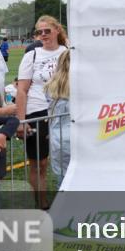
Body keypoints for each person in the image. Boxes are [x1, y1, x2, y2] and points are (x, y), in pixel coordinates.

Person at [16, 16, 67, 209]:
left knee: (67, 158)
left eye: (47, 30)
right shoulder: (32, 55)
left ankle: (69, 199)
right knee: (39, 163)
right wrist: (21, 121)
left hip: (64, 113)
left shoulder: (67, 52)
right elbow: (22, 90)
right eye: (39, 32)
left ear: (57, 31)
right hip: (37, 113)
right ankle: (41, 204)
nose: (43, 35)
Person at [44, 49, 71, 183]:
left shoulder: (51, 86)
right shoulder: (82, 85)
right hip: (76, 137)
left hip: (58, 137)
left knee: (63, 179)